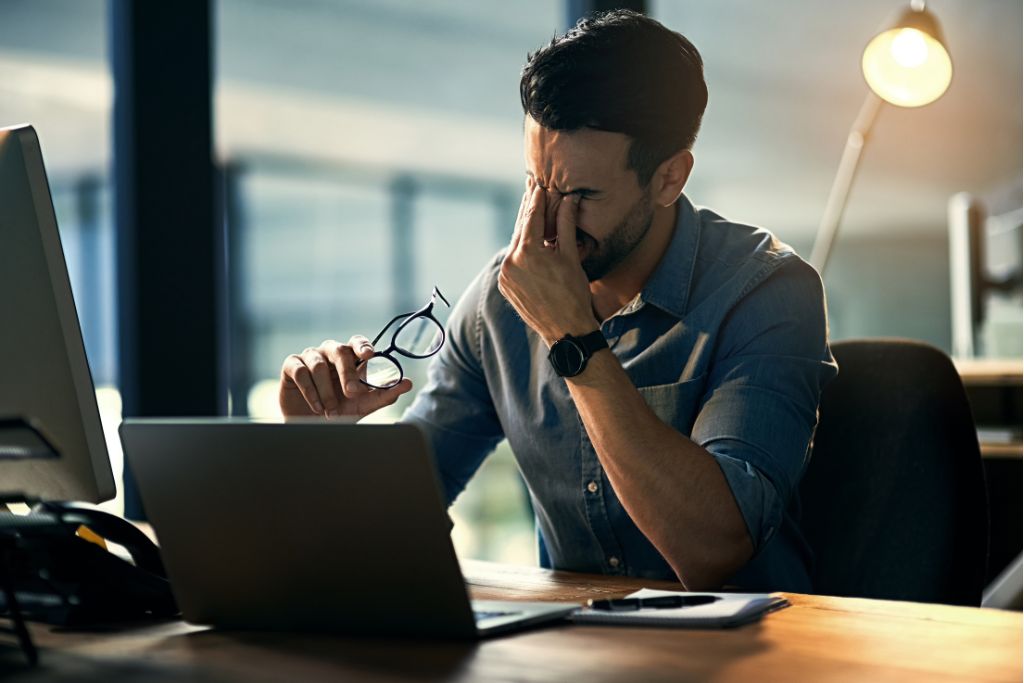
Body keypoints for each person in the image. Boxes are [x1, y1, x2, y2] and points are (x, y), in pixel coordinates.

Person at [278, 10, 837, 591]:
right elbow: (397, 523)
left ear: (670, 178)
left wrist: (574, 340)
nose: (547, 224)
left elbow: (713, 548)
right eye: (535, 185)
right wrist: (323, 446)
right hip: (571, 651)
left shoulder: (768, 292)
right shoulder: (498, 304)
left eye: (580, 195)